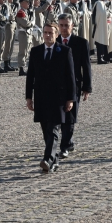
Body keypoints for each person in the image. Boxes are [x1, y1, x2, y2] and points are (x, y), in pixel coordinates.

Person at [25, 22, 76, 173]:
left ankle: (47, 159)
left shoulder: (65, 51)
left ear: (56, 34)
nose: (48, 35)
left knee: (53, 130)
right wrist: (29, 97)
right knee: (45, 131)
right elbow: (30, 77)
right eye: (45, 33)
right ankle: (54, 160)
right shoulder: (36, 51)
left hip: (58, 99)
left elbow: (71, 77)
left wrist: (71, 99)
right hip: (41, 98)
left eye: (51, 33)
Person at [56, 14, 92, 159]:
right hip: (57, 86)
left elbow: (86, 66)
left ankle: (64, 146)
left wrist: (87, 87)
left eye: (67, 25)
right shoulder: (54, 40)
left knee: (70, 116)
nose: (64, 28)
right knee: (59, 117)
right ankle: (68, 142)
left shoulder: (81, 43)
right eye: (61, 25)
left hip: (74, 85)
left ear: (72, 26)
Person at [16, 0, 35, 77]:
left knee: (27, 51)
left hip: (28, 33)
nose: (28, 4)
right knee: (23, 52)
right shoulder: (20, 12)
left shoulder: (26, 12)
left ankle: (24, 67)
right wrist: (32, 23)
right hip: (23, 33)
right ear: (22, 3)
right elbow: (25, 23)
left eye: (28, 2)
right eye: (26, 2)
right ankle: (21, 68)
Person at [91, 0, 109, 64]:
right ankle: (100, 58)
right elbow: (95, 16)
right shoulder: (98, 3)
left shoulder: (103, 3)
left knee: (103, 41)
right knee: (99, 42)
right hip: (98, 27)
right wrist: (96, 26)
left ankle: (104, 57)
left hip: (103, 26)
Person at [2, 0, 18, 72]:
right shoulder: (5, 6)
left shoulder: (11, 6)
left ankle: (9, 62)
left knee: (11, 46)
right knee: (7, 45)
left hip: (13, 27)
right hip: (8, 27)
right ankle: (5, 63)